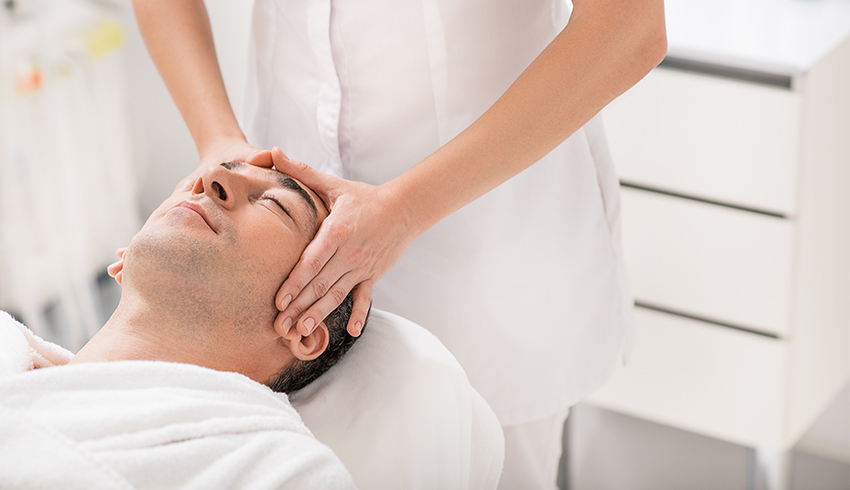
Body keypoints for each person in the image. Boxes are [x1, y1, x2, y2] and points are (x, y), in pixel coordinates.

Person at [132, 1, 667, 487]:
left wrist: (406, 208)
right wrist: (217, 140)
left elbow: (628, 28)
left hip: (485, 249)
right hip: (276, 252)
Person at [0, 162, 362, 489]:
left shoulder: (280, 470)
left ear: (305, 325)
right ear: (125, 261)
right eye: (202, 178)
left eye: (274, 203)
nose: (210, 178)